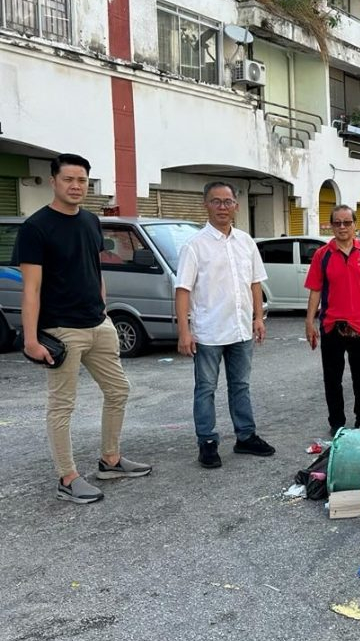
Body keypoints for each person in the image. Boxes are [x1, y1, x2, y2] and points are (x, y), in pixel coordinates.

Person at [12, 153, 151, 504]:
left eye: (82, 180)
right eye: (68, 180)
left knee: (119, 390)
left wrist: (102, 307)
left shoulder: (91, 221)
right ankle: (68, 477)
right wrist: (30, 339)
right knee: (62, 406)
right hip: (61, 330)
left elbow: (95, 269)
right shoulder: (36, 227)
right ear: (53, 182)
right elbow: (30, 289)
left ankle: (110, 459)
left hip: (98, 324)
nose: (76, 186)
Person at [175, 181, 275, 468]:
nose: (222, 207)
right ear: (206, 204)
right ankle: (207, 442)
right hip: (208, 332)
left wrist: (258, 317)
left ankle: (246, 436)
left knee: (240, 385)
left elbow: (255, 283)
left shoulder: (246, 242)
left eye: (227, 201)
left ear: (236, 205)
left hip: (241, 329)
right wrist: (185, 330)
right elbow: (183, 290)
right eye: (216, 201)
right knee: (205, 388)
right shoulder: (194, 246)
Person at [305, 203, 360, 436]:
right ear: (331, 226)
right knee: (332, 378)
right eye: (337, 223)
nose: (342, 227)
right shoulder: (323, 255)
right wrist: (310, 321)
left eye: (347, 223)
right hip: (332, 326)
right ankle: (337, 422)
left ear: (354, 225)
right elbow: (315, 291)